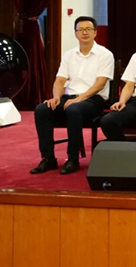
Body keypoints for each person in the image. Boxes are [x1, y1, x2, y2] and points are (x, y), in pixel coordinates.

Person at [31, 16, 114, 175]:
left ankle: (73, 159)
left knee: (73, 109)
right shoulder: (69, 55)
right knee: (42, 109)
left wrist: (78, 100)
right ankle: (48, 158)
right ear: (75, 33)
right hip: (70, 98)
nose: (84, 33)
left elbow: (100, 84)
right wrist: (56, 97)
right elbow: (60, 80)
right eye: (80, 30)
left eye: (88, 29)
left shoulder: (105, 54)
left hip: (93, 100)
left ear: (95, 32)